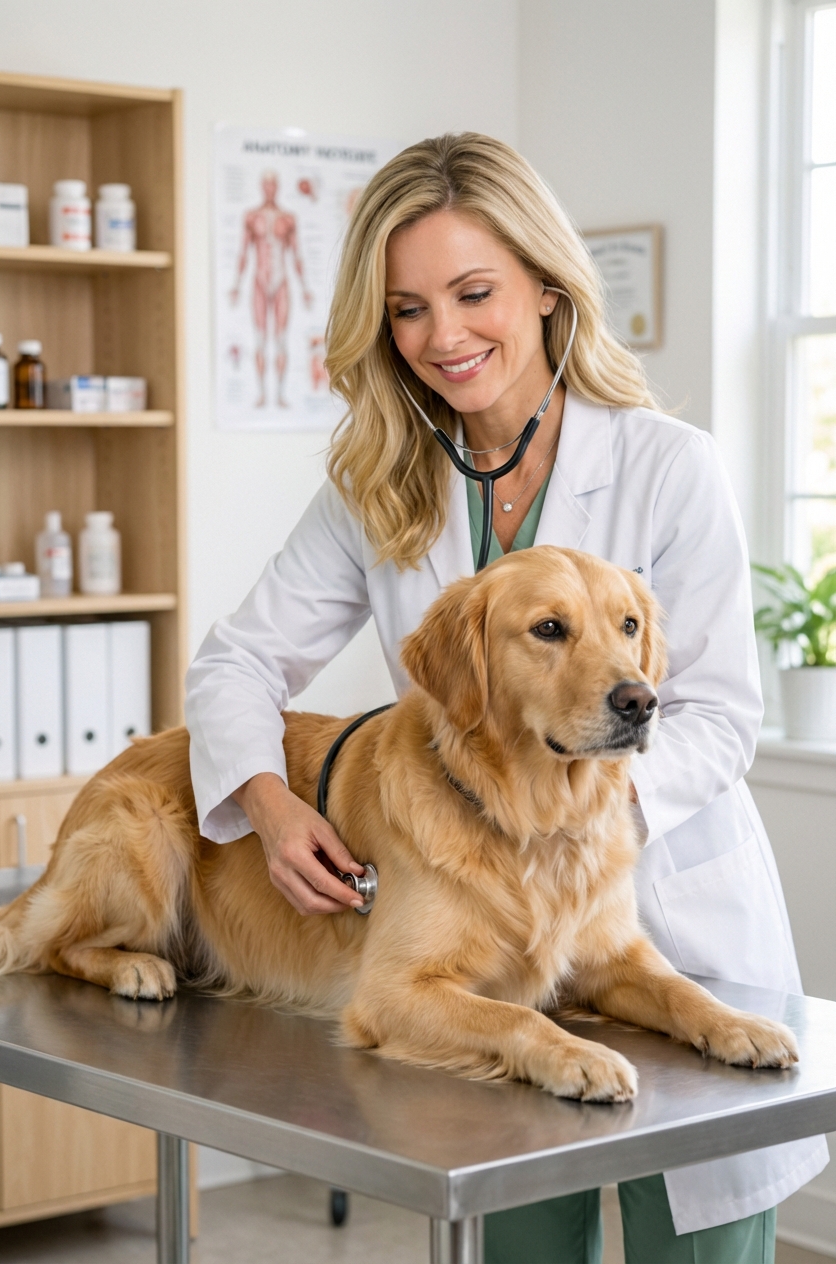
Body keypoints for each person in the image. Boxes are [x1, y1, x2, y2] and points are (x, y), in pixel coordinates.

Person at [186, 133, 827, 1262]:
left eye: (473, 292)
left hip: (666, 914)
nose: (443, 336)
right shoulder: (379, 485)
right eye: (407, 309)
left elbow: (719, 712)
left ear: (542, 284)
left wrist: (578, 838)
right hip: (494, 979)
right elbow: (235, 663)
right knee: (530, 1236)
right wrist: (272, 807)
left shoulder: (667, 465)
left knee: (701, 1242)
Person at [230, 170, 312, 408]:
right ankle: (262, 394)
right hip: (258, 281)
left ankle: (280, 394)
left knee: (281, 339)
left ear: (277, 186)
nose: (269, 189)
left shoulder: (288, 218)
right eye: (265, 184)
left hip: (281, 282)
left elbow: (297, 254)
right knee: (259, 339)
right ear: (261, 186)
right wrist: (236, 284)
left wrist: (305, 287)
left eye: (273, 184)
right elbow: (243, 252)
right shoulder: (251, 216)